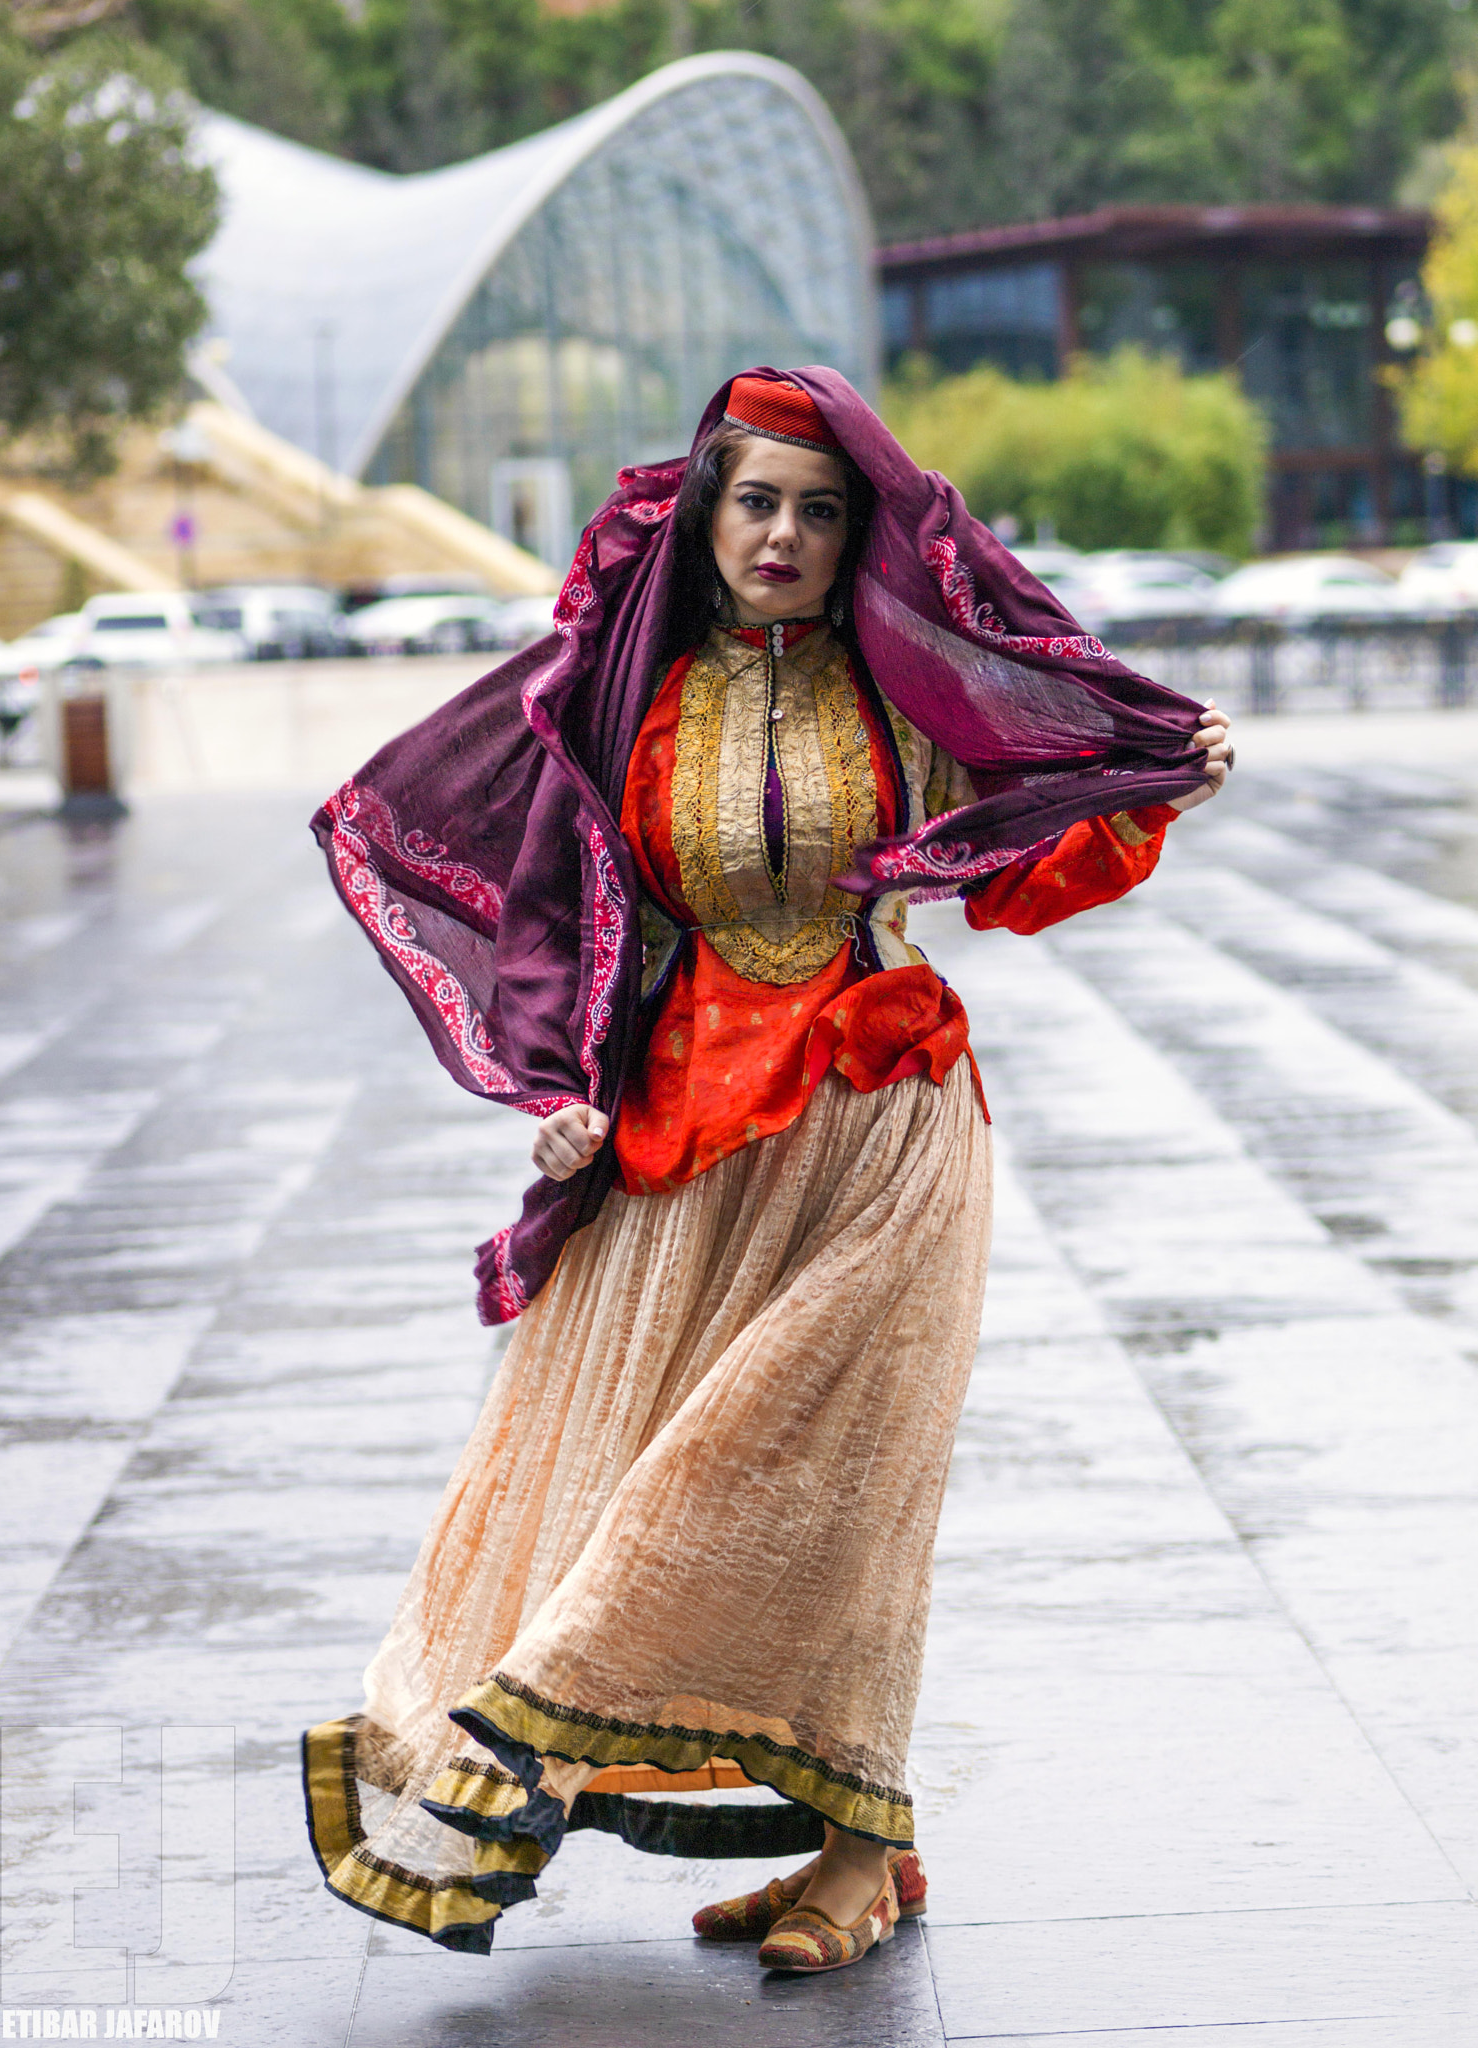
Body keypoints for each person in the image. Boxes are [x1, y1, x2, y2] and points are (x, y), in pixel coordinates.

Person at [302, 368, 1231, 1973]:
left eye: (817, 506)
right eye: (757, 502)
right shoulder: (633, 706)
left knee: (831, 1488)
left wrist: (1157, 768)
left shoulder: (903, 697)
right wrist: (562, 1092)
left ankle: (855, 1858)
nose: (785, 534)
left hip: (886, 1119)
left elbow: (1022, 853)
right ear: (706, 517)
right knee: (651, 1485)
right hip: (687, 1152)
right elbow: (582, 925)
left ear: (853, 528)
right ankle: (856, 1849)